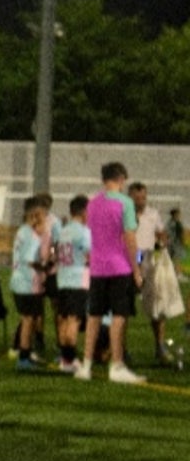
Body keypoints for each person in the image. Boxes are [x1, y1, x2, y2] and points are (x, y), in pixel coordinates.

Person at [78, 162, 145, 383]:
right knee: (119, 316)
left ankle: (86, 365)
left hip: (97, 267)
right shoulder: (125, 203)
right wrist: (137, 268)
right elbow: (130, 238)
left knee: (94, 317)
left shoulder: (92, 203)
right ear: (121, 179)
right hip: (119, 267)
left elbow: (90, 235)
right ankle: (116, 365)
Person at [129, 181, 172, 364]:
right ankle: (120, 349)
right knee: (124, 307)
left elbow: (161, 233)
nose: (141, 201)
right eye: (137, 197)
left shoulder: (152, 214)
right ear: (130, 197)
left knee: (157, 307)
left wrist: (161, 243)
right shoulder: (125, 215)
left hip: (149, 257)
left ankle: (160, 346)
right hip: (133, 257)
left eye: (143, 197)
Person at [9, 196, 49, 372]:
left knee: (28, 318)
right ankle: (24, 356)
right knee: (29, 319)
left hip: (18, 280)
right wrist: (45, 267)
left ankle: (26, 351)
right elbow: (30, 260)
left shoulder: (22, 231)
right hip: (28, 282)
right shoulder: (32, 236)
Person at [55, 194, 91, 373]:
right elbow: (91, 255)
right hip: (78, 280)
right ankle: (71, 360)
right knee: (73, 321)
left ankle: (65, 359)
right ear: (84, 211)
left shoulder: (64, 230)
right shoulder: (83, 232)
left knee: (63, 319)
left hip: (62, 279)